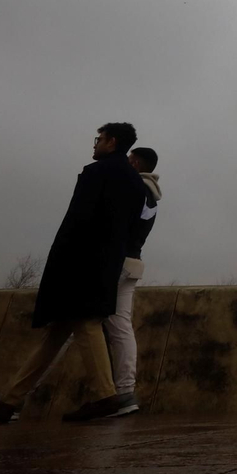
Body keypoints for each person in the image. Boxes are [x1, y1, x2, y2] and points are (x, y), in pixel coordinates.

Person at [0, 123, 149, 423]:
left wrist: (63, 262)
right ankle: (10, 401)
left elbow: (78, 220)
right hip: (108, 262)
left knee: (84, 321)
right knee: (58, 332)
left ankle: (105, 395)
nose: (95, 144)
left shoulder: (97, 172)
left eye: (99, 139)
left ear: (112, 142)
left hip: (80, 261)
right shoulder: (136, 184)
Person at [103, 146, 161, 413]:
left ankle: (18, 395)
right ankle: (125, 392)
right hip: (131, 264)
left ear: (135, 163)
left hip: (115, 262)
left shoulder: (133, 189)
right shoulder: (152, 196)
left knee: (75, 323)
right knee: (121, 328)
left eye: (128, 159)